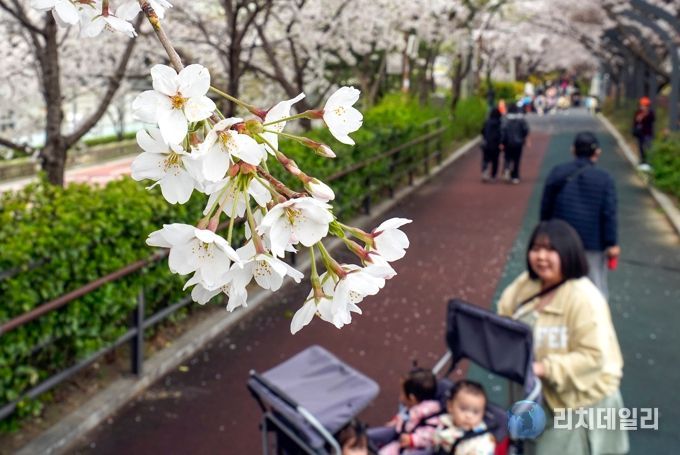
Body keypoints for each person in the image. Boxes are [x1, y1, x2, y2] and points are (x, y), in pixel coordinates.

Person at [497, 220, 628, 455]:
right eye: (536, 248)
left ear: (568, 253)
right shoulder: (527, 285)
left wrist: (543, 368)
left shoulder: (584, 298)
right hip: (538, 396)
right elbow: (503, 317)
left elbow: (593, 356)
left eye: (550, 250)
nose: (541, 257)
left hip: (579, 404)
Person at [539, 132, 618, 299]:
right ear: (597, 153)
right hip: (592, 242)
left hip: (561, 240)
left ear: (573, 150)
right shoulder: (604, 179)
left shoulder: (557, 172)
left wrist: (544, 233)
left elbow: (546, 207)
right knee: (594, 286)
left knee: (559, 281)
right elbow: (608, 213)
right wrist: (611, 243)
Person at [368, 368, 442, 455]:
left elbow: (429, 435)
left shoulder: (430, 415)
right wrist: (397, 420)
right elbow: (405, 416)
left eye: (402, 393)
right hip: (401, 439)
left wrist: (413, 440)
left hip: (413, 448)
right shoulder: (413, 408)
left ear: (412, 398)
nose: (400, 396)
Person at [433, 380, 495, 455]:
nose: (469, 416)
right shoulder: (444, 421)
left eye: (475, 412)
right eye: (463, 409)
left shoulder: (483, 439)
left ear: (483, 414)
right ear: (450, 406)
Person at [501, 104, 530, 184]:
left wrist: (502, 142)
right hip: (518, 143)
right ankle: (515, 176)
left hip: (507, 143)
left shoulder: (505, 119)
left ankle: (507, 169)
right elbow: (526, 130)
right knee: (517, 160)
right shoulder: (521, 120)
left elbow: (502, 131)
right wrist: (523, 137)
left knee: (507, 157)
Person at [632, 96, 655, 171]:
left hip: (648, 133)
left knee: (648, 147)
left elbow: (652, 119)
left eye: (645, 105)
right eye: (642, 105)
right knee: (641, 147)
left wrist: (646, 114)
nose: (643, 107)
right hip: (640, 134)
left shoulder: (650, 113)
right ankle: (642, 161)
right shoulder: (638, 113)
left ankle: (649, 163)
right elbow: (635, 122)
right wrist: (639, 118)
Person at [480, 108, 503, 182]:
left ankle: (484, 172)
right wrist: (501, 143)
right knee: (495, 160)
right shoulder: (499, 123)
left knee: (485, 159)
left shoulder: (487, 122)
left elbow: (482, 131)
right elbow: (501, 134)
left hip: (487, 143)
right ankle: (493, 175)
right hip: (496, 144)